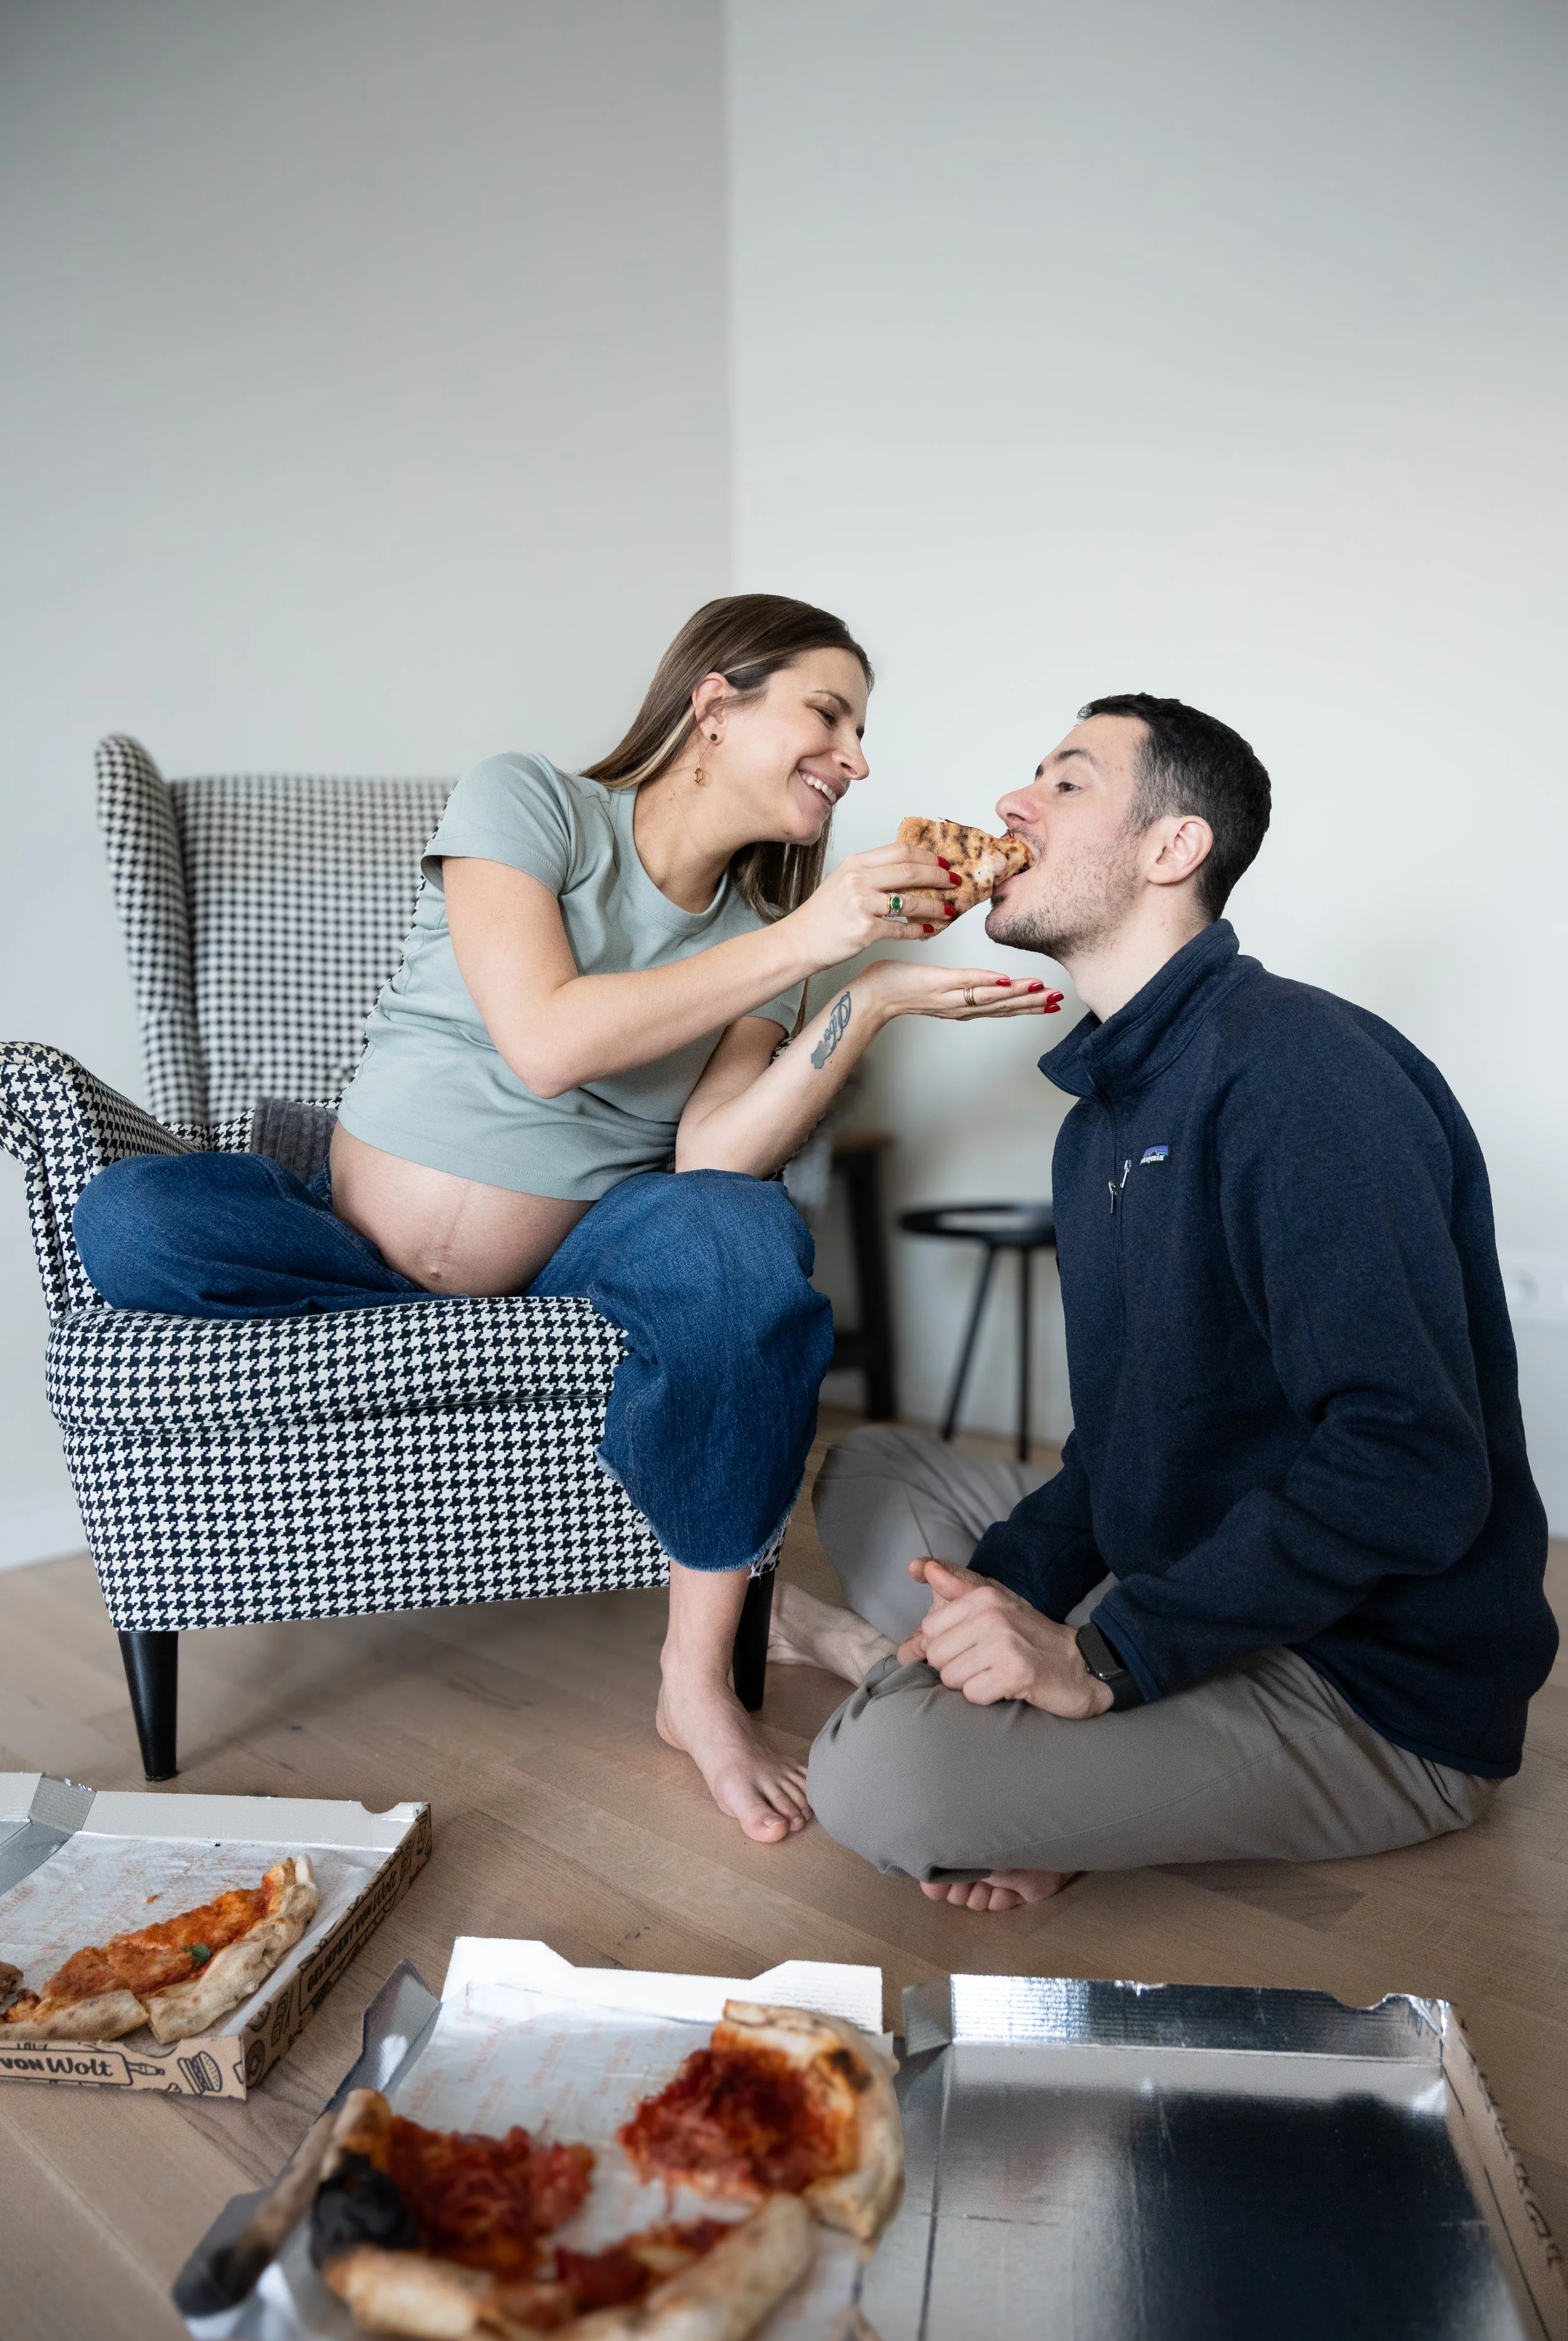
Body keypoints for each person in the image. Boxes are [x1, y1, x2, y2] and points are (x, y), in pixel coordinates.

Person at [73, 594, 1061, 1844]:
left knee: (742, 1243)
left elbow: (712, 1155)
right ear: (714, 703)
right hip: (340, 1239)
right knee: (132, 1218)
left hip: (571, 1264)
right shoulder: (528, 802)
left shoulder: (773, 939)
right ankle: (767, 1601)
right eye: (827, 713)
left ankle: (696, 1683)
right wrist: (816, 934)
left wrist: (857, 1002)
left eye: (861, 732)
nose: (856, 760)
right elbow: (541, 1041)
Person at [774, 693, 1557, 1910]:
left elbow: (1409, 1463)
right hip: (1203, 1578)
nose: (1009, 805)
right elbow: (1125, 1440)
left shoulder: (1302, 1072)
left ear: (1170, 848)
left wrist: (1103, 1651)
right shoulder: (1098, 1125)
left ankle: (948, 1701)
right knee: (872, 1471)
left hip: (1362, 1688)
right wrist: (1013, 1592)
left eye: (1067, 781)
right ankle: (1009, 1708)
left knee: (876, 1784)